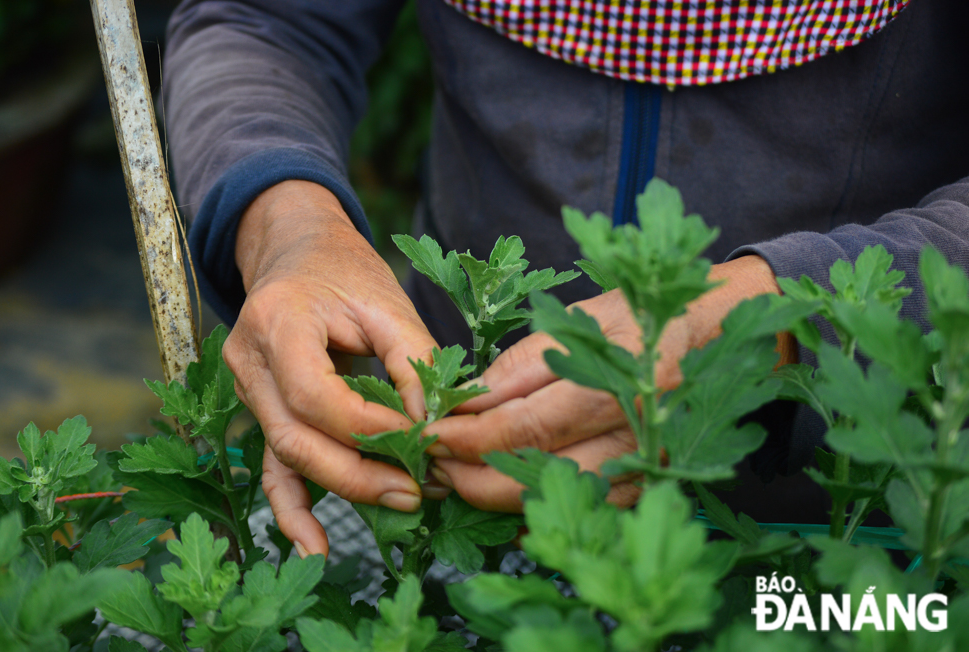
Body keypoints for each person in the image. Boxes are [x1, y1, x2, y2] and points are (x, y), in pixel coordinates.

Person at [163, 0, 969, 559]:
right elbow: (265, 19)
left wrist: (781, 322)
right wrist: (288, 225)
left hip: (857, 519)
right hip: (458, 485)